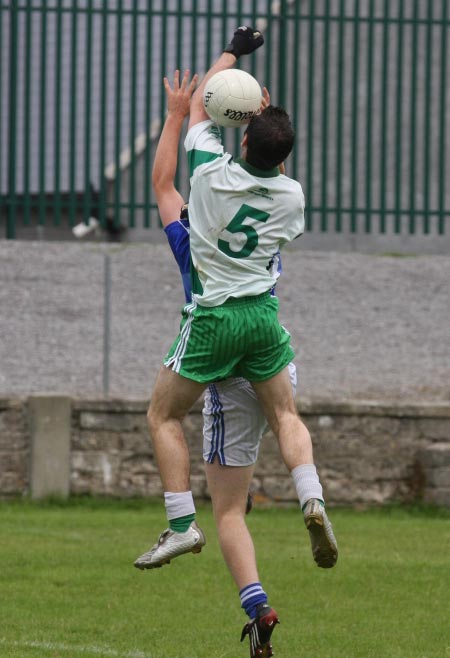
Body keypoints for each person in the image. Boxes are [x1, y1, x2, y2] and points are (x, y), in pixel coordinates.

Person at [134, 28, 338, 658]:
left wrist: (191, 99)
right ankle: (311, 496)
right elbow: (270, 163)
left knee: (171, 426)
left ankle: (178, 525)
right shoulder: (290, 197)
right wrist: (258, 111)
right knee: (288, 414)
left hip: (217, 327)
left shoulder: (202, 190)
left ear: (239, 136)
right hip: (266, 324)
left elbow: (165, 180)